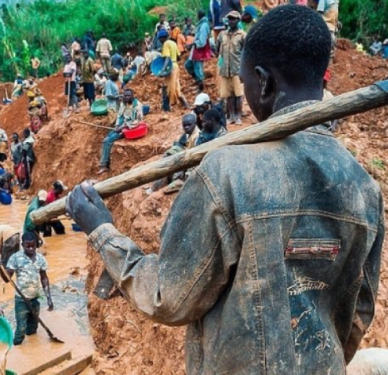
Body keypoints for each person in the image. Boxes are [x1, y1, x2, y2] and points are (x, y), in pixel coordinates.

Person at [67, 5, 385, 374]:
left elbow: (168, 297)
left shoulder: (226, 172)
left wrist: (102, 230)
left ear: (263, 82)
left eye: (246, 80)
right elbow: (360, 312)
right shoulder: (365, 187)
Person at [0, 231, 53, 346]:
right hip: (21, 300)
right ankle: (15, 347)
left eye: (33, 245)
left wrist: (48, 298)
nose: (31, 248)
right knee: (21, 330)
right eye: (28, 246)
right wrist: (0, 267)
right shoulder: (15, 258)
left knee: (33, 328)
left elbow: (44, 278)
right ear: (22, 245)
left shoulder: (41, 259)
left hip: (35, 298)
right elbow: (7, 279)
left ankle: (32, 349)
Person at [98, 89, 143, 175]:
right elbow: (119, 116)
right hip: (122, 126)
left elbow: (139, 120)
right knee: (106, 139)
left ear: (133, 96)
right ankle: (105, 161)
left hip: (130, 128)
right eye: (125, 96)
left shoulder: (137, 105)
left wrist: (124, 126)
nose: (126, 97)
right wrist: (117, 125)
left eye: (128, 95)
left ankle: (104, 165)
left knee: (108, 140)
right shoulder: (123, 104)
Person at [217, 11, 246, 125]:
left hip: (237, 69)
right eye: (230, 19)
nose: (231, 21)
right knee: (228, 95)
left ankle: (238, 116)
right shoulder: (222, 35)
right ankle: (231, 116)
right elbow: (217, 50)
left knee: (238, 94)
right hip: (225, 70)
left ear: (238, 20)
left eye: (234, 19)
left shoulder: (242, 35)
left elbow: (246, 51)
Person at [158, 30, 189, 109]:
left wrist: (162, 70)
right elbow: (179, 57)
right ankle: (185, 104)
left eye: (160, 39)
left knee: (167, 87)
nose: (160, 41)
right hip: (176, 66)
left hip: (170, 67)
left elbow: (167, 58)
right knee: (175, 86)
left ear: (162, 38)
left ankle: (166, 107)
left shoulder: (166, 44)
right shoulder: (173, 43)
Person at [185, 10, 212, 92]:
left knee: (198, 69)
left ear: (199, 15)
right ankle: (198, 82)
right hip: (195, 50)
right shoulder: (201, 25)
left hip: (199, 51)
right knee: (188, 65)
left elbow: (202, 42)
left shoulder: (204, 26)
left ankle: (201, 89)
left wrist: (192, 44)